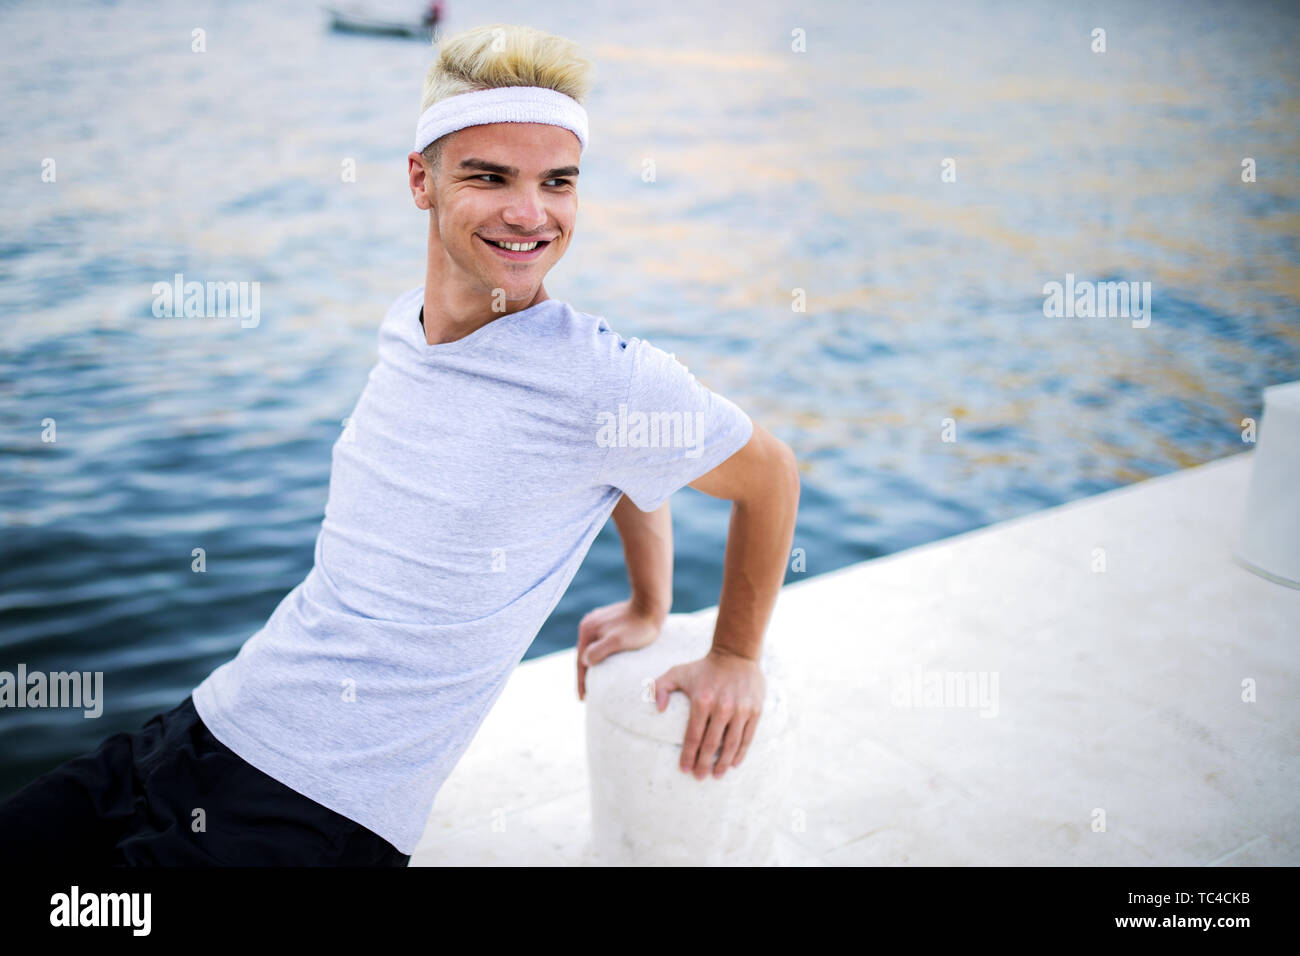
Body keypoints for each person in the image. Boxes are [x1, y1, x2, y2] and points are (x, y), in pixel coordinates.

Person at [0, 22, 799, 867]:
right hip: (203, 725)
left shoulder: (599, 373)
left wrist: (735, 655)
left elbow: (770, 473)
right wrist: (648, 599)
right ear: (421, 180)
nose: (531, 213)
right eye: (490, 178)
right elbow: (635, 461)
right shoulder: (406, 326)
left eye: (557, 183)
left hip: (315, 814)